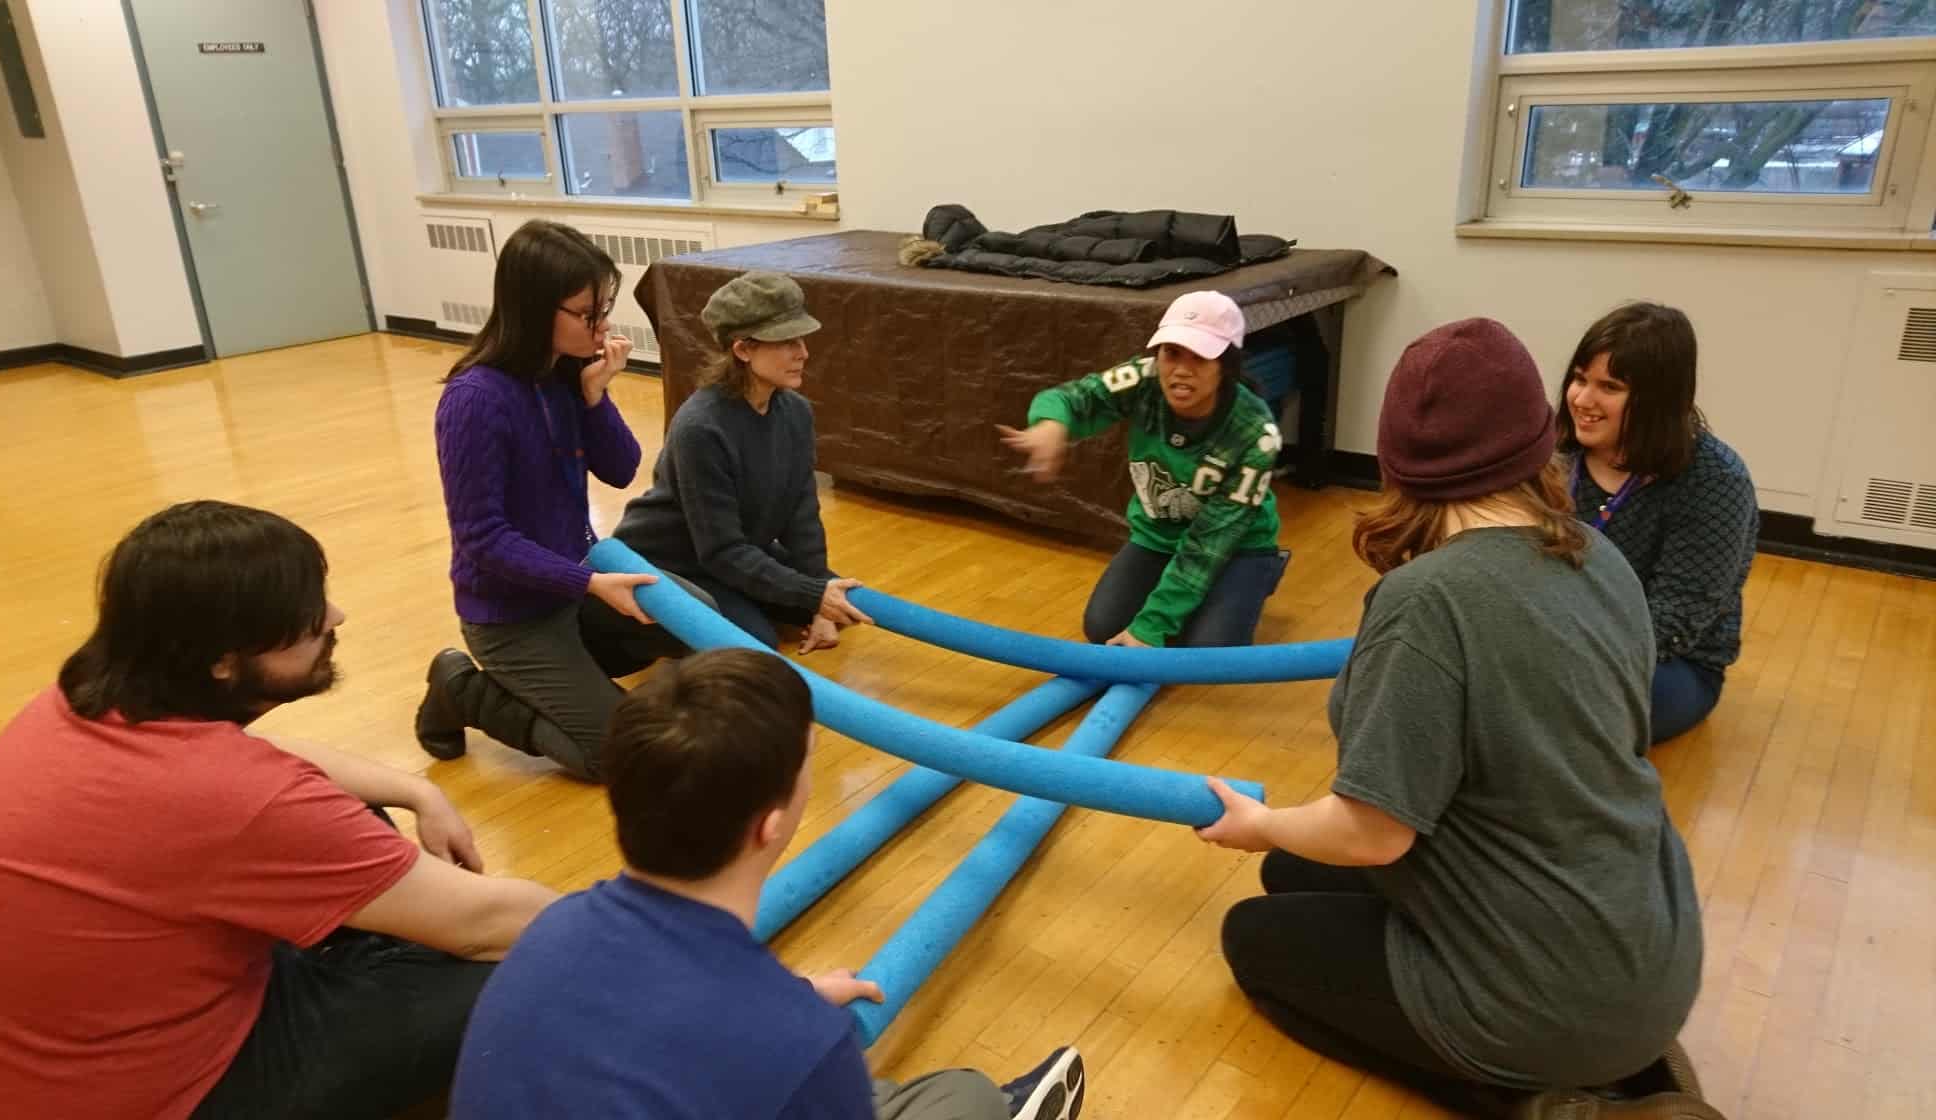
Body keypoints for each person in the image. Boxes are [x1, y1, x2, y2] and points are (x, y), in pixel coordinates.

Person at [1197, 320, 1721, 1119]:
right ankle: (1625, 1060)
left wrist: (1262, 824)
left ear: (1398, 461)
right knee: (1292, 876)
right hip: (1656, 948)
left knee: (1253, 937)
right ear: (1536, 439)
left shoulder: (1425, 602)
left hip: (1549, 998)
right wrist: (1283, 843)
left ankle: (1550, 1105)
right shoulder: (1598, 555)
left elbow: (1373, 835)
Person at [0, 500, 561, 1120]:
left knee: (354, 818)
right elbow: (500, 922)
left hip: (41, 1065)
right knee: (535, 977)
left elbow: (266, 761)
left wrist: (418, 791)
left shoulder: (86, 698)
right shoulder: (236, 798)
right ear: (222, 660)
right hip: (164, 1095)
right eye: (306, 614)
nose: (335, 617)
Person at [450, 647, 1086, 1120]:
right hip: (791, 1054)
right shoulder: (805, 1042)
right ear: (771, 826)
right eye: (809, 760)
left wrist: (788, 1005)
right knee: (966, 1099)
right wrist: (791, 1026)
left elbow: (648, 1024)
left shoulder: (551, 929)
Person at [417, 219, 689, 782]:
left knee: (692, 617)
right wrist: (587, 582)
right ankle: (463, 689)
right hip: (512, 619)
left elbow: (620, 470)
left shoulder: (564, 375)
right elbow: (483, 539)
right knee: (619, 758)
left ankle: (570, 680)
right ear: (537, 309)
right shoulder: (474, 400)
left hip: (570, 593)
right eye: (588, 313)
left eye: (604, 309)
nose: (603, 326)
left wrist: (595, 395)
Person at [998, 290, 1287, 648]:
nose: (1181, 370)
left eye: (1200, 357)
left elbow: (1208, 546)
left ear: (1226, 366)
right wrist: (1051, 423)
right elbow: (1075, 398)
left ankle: (1261, 573)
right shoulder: (1142, 379)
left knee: (1208, 650)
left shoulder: (1256, 433)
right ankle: (1197, 599)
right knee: (1102, 627)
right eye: (1172, 353)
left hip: (1234, 545)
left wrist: (1152, 626)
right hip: (1159, 534)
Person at [614, 271, 869, 654]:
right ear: (743, 350)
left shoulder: (796, 412)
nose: (803, 353)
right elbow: (720, 550)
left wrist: (818, 598)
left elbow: (802, 516)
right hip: (674, 561)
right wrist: (813, 595)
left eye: (801, 339)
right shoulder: (701, 428)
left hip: (736, 551)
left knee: (843, 601)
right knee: (756, 645)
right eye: (786, 342)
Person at [1560, 301, 1758, 745]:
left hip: (1664, 663)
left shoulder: (1715, 480)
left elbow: (1672, 623)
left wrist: (1551, 655)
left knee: (1542, 709)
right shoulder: (1556, 454)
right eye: (1579, 379)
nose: (1583, 400)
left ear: (1659, 399)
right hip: (1550, 635)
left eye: (1609, 387)